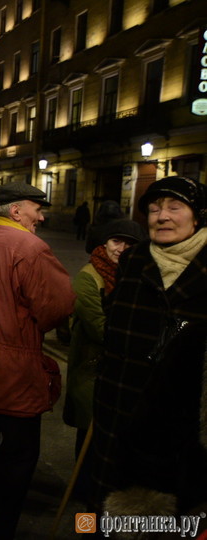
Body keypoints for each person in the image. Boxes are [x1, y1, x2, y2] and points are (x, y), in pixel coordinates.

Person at [0, 182, 75, 539]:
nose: (42, 215)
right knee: (19, 456)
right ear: (17, 211)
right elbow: (57, 307)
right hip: (15, 370)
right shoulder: (30, 247)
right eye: (37, 209)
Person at [91, 176, 207, 518]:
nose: (162, 216)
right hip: (120, 409)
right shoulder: (133, 261)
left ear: (197, 216)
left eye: (175, 207)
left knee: (174, 514)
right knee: (109, 510)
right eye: (154, 209)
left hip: (183, 424)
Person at [63, 219, 144, 499]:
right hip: (92, 371)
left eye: (130, 243)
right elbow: (100, 328)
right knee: (90, 438)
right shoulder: (89, 277)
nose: (122, 248)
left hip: (120, 372)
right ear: (104, 244)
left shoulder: (135, 275)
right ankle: (84, 495)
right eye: (116, 241)